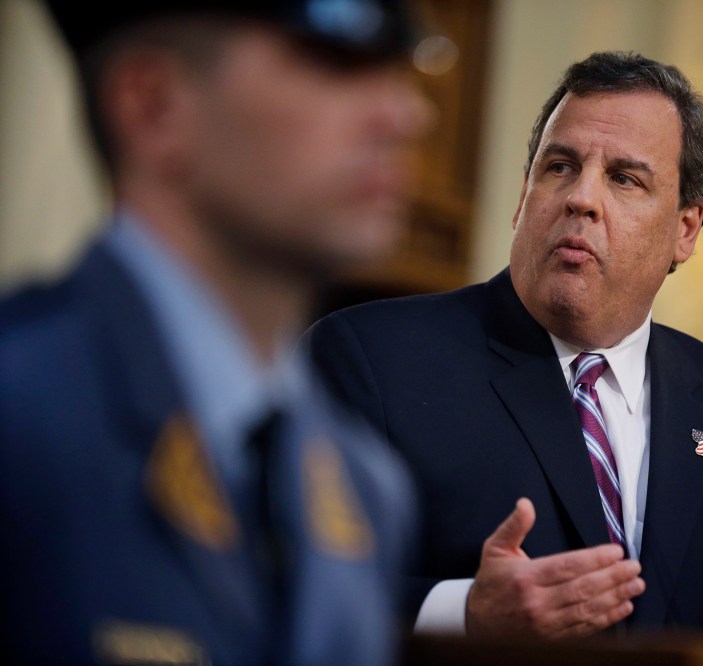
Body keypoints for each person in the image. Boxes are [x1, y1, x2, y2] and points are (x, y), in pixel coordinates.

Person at [306, 51, 703, 653]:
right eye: (560, 167)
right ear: (522, 197)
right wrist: (465, 614)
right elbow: (289, 588)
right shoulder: (373, 360)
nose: (581, 198)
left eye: (624, 179)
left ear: (686, 229)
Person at [0, 1, 431, 664]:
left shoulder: (366, 487)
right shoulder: (21, 412)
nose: (406, 116)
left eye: (393, 72)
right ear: (154, 107)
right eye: (334, 63)